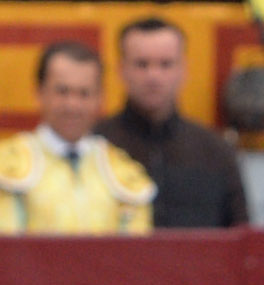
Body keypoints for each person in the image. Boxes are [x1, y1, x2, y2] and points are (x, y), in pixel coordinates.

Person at [101, 17, 247, 229]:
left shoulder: (216, 152)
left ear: (183, 70)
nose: (153, 76)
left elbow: (241, 235)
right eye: (142, 64)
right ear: (121, 69)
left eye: (165, 64)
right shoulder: (98, 147)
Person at [0, 41, 154, 233]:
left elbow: (136, 248)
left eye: (84, 94)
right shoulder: (6, 165)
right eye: (62, 91)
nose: (72, 105)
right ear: (39, 93)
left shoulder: (124, 173)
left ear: (100, 98)